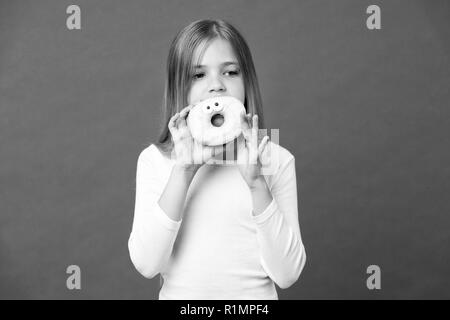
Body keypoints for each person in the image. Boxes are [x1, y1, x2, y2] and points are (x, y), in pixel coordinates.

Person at [128, 19, 306, 300]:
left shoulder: (275, 158)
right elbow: (147, 264)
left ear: (247, 83)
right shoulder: (156, 160)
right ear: (179, 88)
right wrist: (183, 171)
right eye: (198, 75)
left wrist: (257, 183)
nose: (217, 86)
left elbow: (287, 274)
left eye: (231, 72)